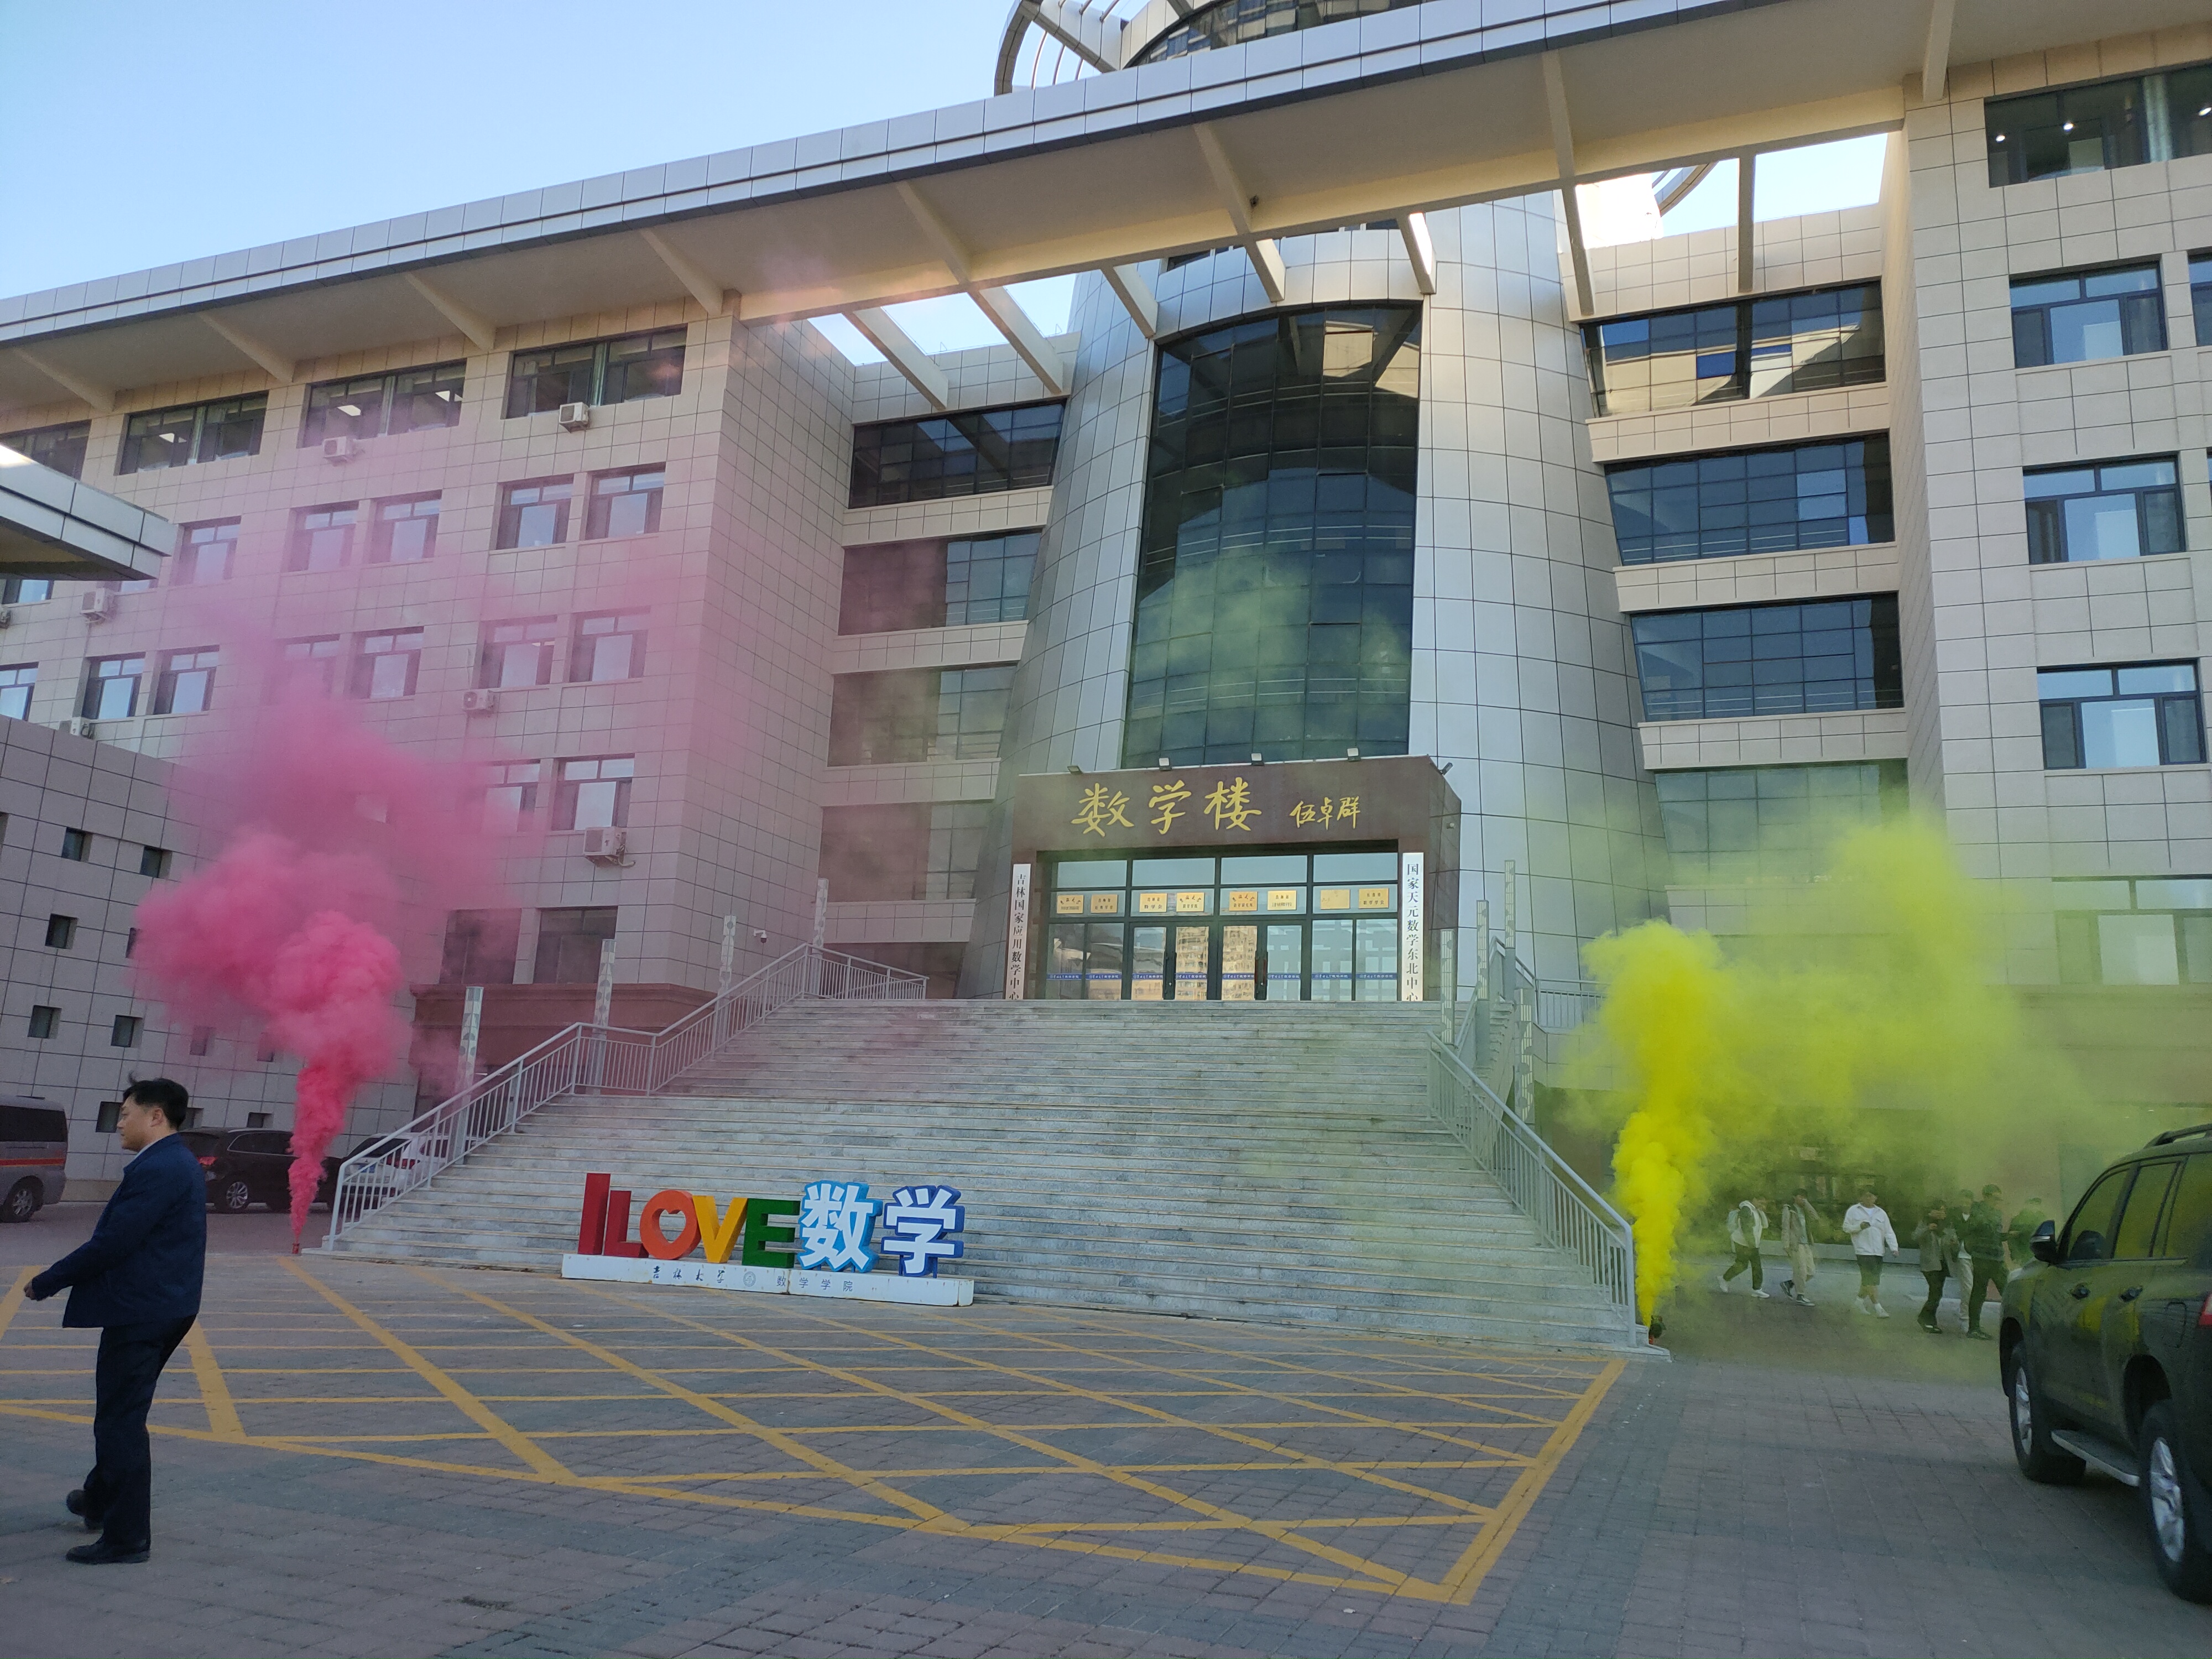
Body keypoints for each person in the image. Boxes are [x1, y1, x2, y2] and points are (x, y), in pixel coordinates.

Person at [25, 1079, 207, 1566]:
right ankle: (99, 1499)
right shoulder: (173, 1162)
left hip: (143, 1311)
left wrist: (50, 1280)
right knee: (120, 1413)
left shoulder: (161, 1167)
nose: (120, 1123)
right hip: (162, 1305)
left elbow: (114, 1243)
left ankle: (127, 1537)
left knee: (120, 1421)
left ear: (156, 1116)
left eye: (127, 1113)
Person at [1958, 1184, 2007, 1340]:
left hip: (1996, 1257)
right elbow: (1977, 1227)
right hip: (1982, 1257)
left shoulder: (1996, 1213)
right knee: (1980, 1292)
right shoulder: (1977, 1210)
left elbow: (1995, 1235)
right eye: (1995, 1198)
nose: (1997, 1202)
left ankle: (2011, 1328)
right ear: (1986, 1197)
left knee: (2006, 1291)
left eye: (1999, 1199)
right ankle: (1974, 1329)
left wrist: (2009, 1236)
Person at [1842, 1184, 1898, 1317]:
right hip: (1863, 1251)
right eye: (1866, 1196)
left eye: (1872, 1196)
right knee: (1870, 1280)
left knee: (1870, 1280)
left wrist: (1894, 1248)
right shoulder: (1854, 1210)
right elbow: (1846, 1228)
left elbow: (1889, 1232)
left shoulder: (1881, 1213)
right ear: (1861, 1197)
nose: (1869, 1198)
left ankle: (1859, 1302)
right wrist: (1859, 1227)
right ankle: (1878, 1308)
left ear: (1876, 1198)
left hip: (1878, 1251)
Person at [1914, 1199, 1963, 1334]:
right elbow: (1915, 1237)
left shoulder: (1948, 1226)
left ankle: (1930, 1321)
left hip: (1943, 1264)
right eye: (1939, 1210)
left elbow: (1956, 1247)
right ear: (1932, 1211)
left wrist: (1955, 1244)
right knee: (1935, 1292)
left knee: (1937, 1294)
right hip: (1930, 1264)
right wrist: (1928, 1229)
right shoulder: (1925, 1223)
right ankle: (1924, 1318)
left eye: (1944, 1210)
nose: (1942, 1213)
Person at [1718, 1197, 1770, 1297]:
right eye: (1760, 1201)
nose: (1762, 1204)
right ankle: (1725, 1279)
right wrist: (1752, 1244)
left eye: (1763, 1202)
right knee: (1747, 1265)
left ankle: (1756, 1289)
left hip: (1750, 1243)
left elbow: (1765, 1225)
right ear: (1754, 1199)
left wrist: (1761, 1211)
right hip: (1743, 1242)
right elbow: (1746, 1228)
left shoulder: (1756, 1210)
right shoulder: (1746, 1209)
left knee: (1747, 1265)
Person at [1778, 1189, 1820, 1306]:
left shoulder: (1805, 1210)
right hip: (1796, 1244)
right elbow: (1785, 1227)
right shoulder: (1789, 1209)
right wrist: (1786, 1245)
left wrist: (1807, 1204)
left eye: (1804, 1197)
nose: (1803, 1199)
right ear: (1794, 1197)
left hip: (1806, 1244)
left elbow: (1816, 1218)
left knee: (1811, 1271)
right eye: (1800, 1196)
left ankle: (1789, 1284)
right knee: (1801, 1271)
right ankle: (1800, 1295)